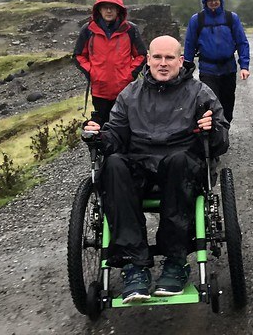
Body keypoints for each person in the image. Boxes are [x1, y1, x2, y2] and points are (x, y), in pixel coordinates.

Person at [84, 35, 229, 304]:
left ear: (181, 60)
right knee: (114, 164)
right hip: (140, 165)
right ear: (148, 59)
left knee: (179, 161)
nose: (163, 64)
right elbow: (115, 133)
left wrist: (211, 130)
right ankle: (134, 265)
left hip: (180, 168)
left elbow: (220, 143)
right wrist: (100, 136)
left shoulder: (200, 93)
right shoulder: (130, 94)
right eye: (158, 58)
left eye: (169, 58)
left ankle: (176, 260)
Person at [73, 0, 147, 126]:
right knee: (103, 128)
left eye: (112, 7)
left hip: (125, 90)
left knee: (126, 126)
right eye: (105, 7)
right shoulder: (88, 30)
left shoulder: (130, 30)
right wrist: (92, 72)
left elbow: (141, 55)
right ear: (99, 9)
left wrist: (129, 75)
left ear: (118, 10)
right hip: (99, 91)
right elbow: (78, 55)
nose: (108, 10)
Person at [183, 0, 250, 123]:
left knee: (227, 103)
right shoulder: (197, 20)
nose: (213, 2)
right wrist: (186, 70)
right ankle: (213, 135)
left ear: (221, 0)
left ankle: (224, 130)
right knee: (210, 103)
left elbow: (242, 42)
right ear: (205, 1)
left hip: (228, 69)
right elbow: (189, 45)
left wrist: (244, 66)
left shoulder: (231, 18)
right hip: (208, 70)